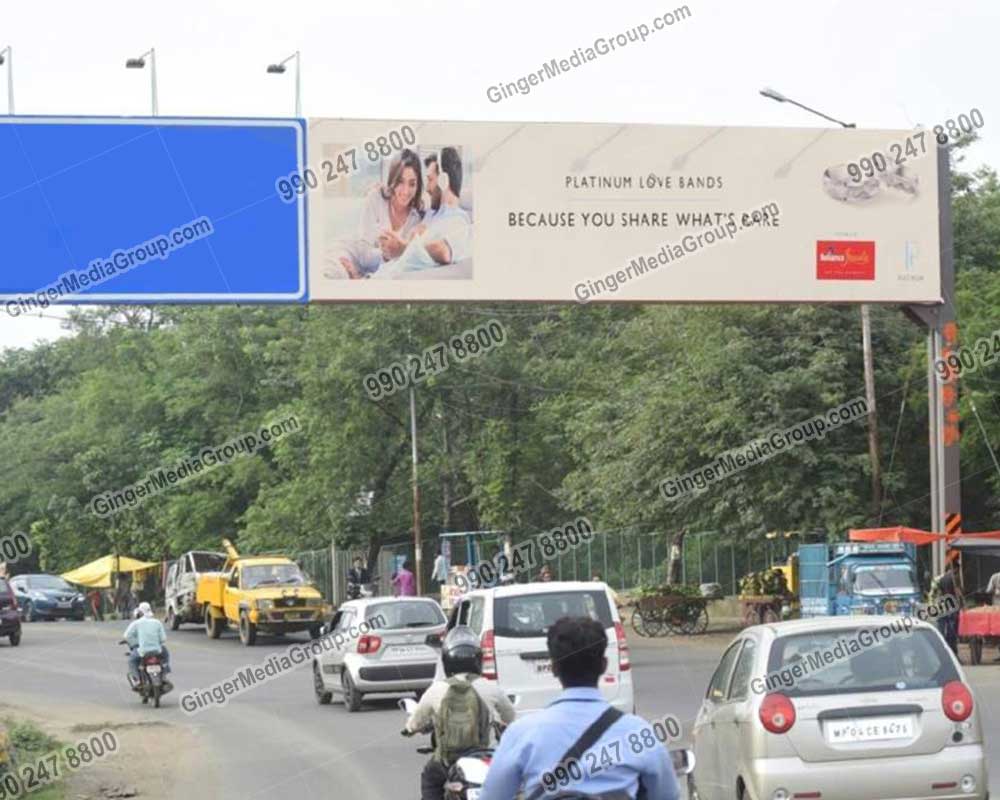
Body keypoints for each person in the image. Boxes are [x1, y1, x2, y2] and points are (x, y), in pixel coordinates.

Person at [480, 617, 680, 800]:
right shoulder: (639, 734)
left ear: (553, 667)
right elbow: (667, 794)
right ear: (603, 665)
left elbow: (493, 796)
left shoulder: (521, 734)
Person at [403, 626, 516, 800]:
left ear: (447, 660)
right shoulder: (490, 687)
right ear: (478, 659)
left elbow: (415, 722)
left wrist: (410, 729)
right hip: (488, 757)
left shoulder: (437, 689)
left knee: (430, 778)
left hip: (448, 762)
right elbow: (511, 717)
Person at [369, 147, 472, 278]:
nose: (427, 188)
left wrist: (403, 248)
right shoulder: (431, 214)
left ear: (443, 181)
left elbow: (443, 251)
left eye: (430, 180)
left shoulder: (457, 219)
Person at [326, 148, 425, 279]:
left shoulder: (417, 216)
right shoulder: (376, 198)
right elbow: (362, 254)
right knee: (332, 274)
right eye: (400, 182)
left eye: (412, 184)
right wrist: (388, 254)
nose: (406, 191)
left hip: (373, 275)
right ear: (392, 180)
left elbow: (403, 261)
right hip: (350, 255)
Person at [123, 602, 170, 687]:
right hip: (157, 650)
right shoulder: (157, 622)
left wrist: (135, 642)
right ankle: (164, 674)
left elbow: (126, 636)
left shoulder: (137, 623)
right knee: (165, 654)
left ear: (140, 612)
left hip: (143, 651)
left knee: (131, 660)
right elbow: (163, 639)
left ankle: (137, 679)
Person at [934, 562, 963, 656]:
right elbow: (958, 592)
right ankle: (953, 652)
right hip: (952, 606)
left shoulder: (941, 579)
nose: (958, 572)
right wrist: (962, 603)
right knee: (952, 630)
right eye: (957, 570)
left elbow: (938, 593)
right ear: (955, 569)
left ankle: (941, 650)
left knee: (941, 628)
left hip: (942, 605)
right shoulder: (954, 578)